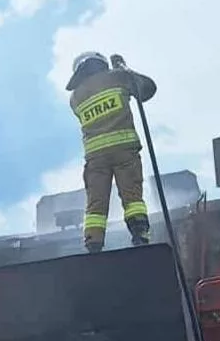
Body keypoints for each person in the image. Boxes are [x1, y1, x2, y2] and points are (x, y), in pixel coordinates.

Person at [66, 51, 157, 253]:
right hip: (125, 151)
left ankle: (93, 242)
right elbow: (147, 89)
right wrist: (124, 69)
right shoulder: (117, 77)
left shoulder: (75, 98)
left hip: (95, 159)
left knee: (96, 204)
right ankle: (140, 234)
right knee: (132, 197)